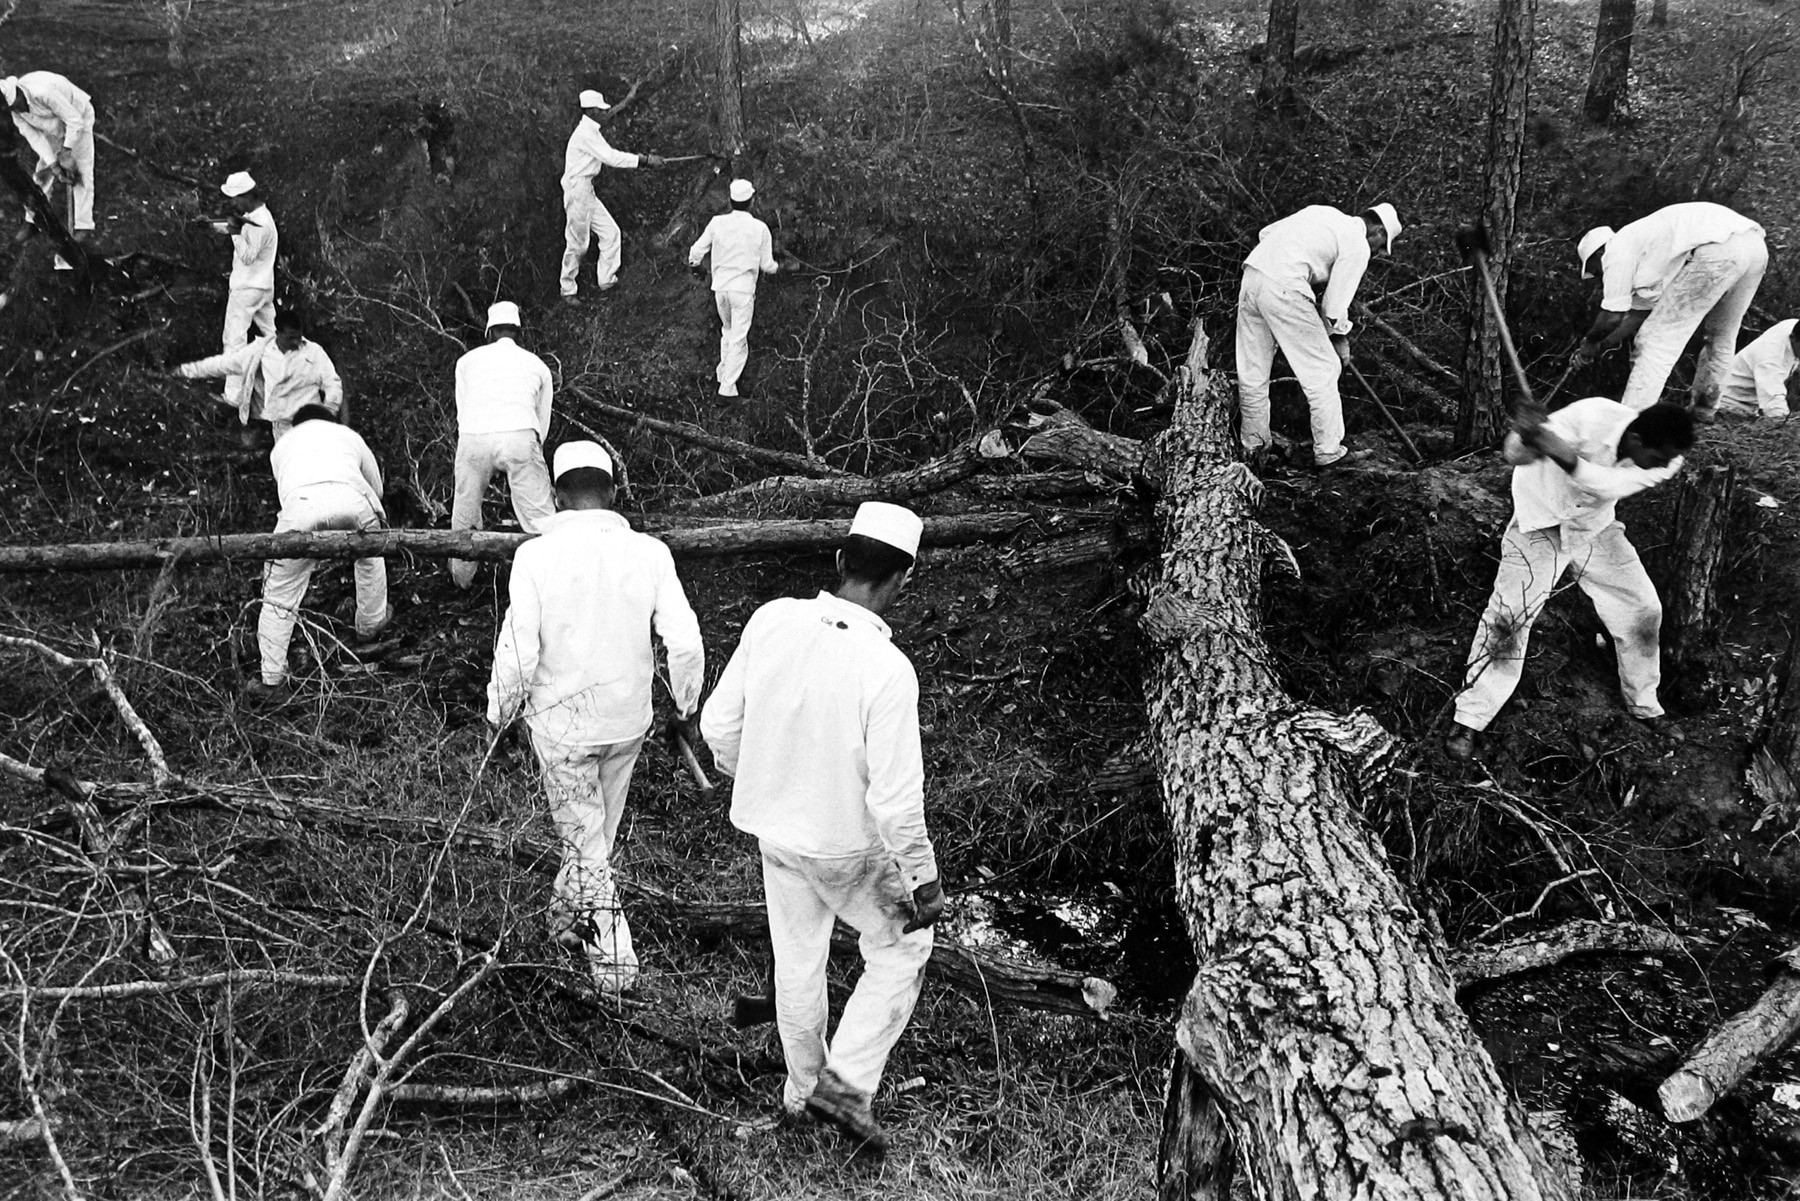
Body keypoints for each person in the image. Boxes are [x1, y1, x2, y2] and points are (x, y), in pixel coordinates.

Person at [700, 502, 945, 1153]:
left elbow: (717, 729)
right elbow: (895, 800)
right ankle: (847, 1081)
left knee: (798, 960)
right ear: (903, 580)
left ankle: (801, 1092)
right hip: (849, 850)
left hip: (775, 834)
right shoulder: (888, 670)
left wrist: (754, 771)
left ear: (839, 561)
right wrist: (923, 880)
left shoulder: (771, 620)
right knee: (903, 947)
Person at [487, 441, 704, 994]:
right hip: (626, 723)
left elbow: (518, 649)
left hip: (561, 728)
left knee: (587, 844)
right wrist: (685, 707)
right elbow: (684, 642)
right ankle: (565, 925)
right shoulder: (651, 553)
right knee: (592, 837)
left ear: (558, 496)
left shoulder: (535, 556)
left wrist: (499, 710)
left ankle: (616, 975)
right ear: (612, 492)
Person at [1446, 400, 1695, 761]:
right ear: (1638, 440)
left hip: (1593, 527)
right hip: (1540, 520)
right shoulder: (1591, 414)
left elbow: (1606, 486)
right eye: (1658, 457)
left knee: (1642, 607)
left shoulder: (1667, 462)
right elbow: (1514, 456)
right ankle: (1469, 718)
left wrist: (1562, 453)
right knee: (1509, 618)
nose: (1665, 466)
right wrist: (1527, 435)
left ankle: (1645, 704)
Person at [1235, 202, 1402, 468]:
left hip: (1253, 276)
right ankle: (1329, 452)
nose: (1378, 253)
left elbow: (1266, 234)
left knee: (1253, 372)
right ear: (1378, 230)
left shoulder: (1322, 212)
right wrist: (1338, 337)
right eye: (1381, 247)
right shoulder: (1357, 244)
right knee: (1324, 369)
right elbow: (1334, 307)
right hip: (1285, 286)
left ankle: (1254, 449)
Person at [248, 405, 390, 704]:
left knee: (280, 592)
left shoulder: (282, 446)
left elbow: (286, 488)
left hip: (300, 507)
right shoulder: (347, 435)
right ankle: (369, 631)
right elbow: (376, 488)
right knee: (371, 562)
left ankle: (272, 679)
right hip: (354, 500)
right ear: (330, 421)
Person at [1572, 202, 1767, 416]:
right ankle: (1705, 409)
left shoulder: (1616, 250)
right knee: (1722, 334)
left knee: (1655, 341)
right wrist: (1601, 346)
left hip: (1719, 248)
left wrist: (1589, 343)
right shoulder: (1644, 246)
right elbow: (1637, 315)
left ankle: (1631, 421)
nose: (1600, 279)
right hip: (1754, 245)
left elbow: (1612, 316)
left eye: (1595, 271)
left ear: (1599, 252)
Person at [449, 301, 556, 589]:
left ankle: (462, 580)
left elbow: (463, 409)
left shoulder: (466, 362)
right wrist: (530, 453)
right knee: (539, 518)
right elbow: (540, 421)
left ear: (489, 332)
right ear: (518, 333)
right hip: (521, 433)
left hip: (474, 436)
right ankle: (552, 579)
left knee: (465, 511)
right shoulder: (538, 365)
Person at [173, 309, 343, 445]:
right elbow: (225, 364)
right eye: (291, 338)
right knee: (287, 469)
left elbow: (332, 382)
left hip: (312, 422)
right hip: (282, 425)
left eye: (299, 336)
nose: (296, 342)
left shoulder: (314, 352)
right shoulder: (260, 351)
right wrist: (186, 371)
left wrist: (329, 411)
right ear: (278, 333)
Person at [559, 89, 665, 302]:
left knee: (611, 233)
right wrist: (644, 160)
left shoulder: (592, 131)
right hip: (576, 191)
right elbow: (611, 158)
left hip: (586, 190)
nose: (604, 113)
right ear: (591, 111)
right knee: (578, 244)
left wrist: (644, 161)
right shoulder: (585, 134)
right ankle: (567, 290)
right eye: (600, 110)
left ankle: (606, 280)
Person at [688, 178, 779, 398]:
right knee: (738, 337)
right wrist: (781, 267)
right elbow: (767, 265)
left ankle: (722, 374)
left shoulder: (717, 223)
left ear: (730, 200)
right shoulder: (760, 228)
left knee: (727, 331)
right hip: (743, 291)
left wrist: (697, 268)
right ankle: (727, 389)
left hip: (721, 288)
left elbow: (696, 252)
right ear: (752, 201)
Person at [3, 71, 96, 270]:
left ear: (18, 93)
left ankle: (83, 225)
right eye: (14, 108)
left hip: (77, 116)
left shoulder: (43, 92)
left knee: (82, 170)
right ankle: (33, 221)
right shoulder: (14, 112)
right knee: (41, 175)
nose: (18, 109)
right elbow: (34, 137)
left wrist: (67, 152)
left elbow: (74, 119)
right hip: (52, 128)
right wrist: (54, 165)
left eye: (18, 104)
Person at [212, 171, 280, 408]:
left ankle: (233, 396)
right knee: (271, 337)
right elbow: (239, 229)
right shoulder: (259, 216)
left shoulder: (260, 222)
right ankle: (285, 382)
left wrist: (232, 233)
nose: (234, 203)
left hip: (246, 288)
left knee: (234, 339)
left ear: (246, 195)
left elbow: (248, 255)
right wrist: (215, 227)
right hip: (263, 288)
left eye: (235, 198)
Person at [1714, 319, 1798, 422]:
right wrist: (1789, 427)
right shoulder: (1769, 358)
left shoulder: (1793, 326)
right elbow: (1774, 406)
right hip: (1729, 404)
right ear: (1792, 338)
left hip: (1754, 406)